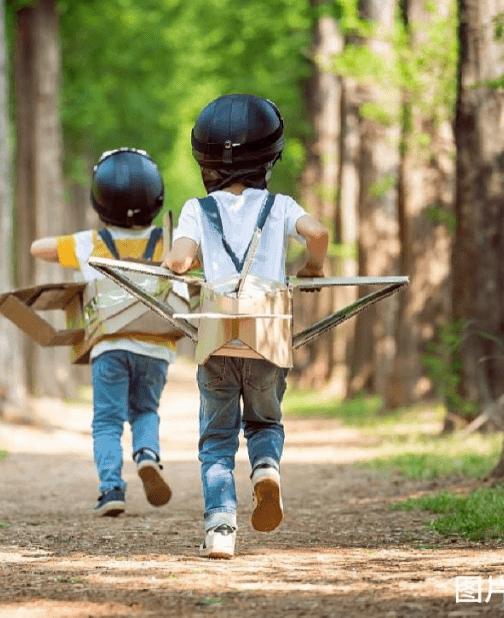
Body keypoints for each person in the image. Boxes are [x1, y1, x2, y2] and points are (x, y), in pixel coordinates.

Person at [162, 94, 330, 559]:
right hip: (268, 337)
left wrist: (175, 260)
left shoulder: (198, 209)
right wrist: (312, 270)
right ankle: (266, 471)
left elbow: (179, 260)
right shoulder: (280, 206)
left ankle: (219, 530)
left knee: (216, 439)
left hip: (217, 340)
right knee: (264, 420)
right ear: (270, 157)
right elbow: (317, 234)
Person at [30, 148, 176, 517]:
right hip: (156, 348)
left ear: (99, 200)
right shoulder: (168, 241)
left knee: (108, 421)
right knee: (146, 409)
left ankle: (111, 488)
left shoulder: (90, 243)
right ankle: (147, 454)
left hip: (108, 346)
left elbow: (38, 248)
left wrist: (76, 244)